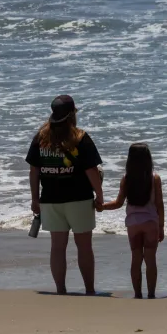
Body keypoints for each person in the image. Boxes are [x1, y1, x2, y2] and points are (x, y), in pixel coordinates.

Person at [26, 95, 104, 295]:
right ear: (72, 114)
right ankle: (89, 290)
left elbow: (34, 170)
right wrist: (100, 195)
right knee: (84, 247)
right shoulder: (80, 137)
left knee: (57, 247)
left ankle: (60, 289)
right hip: (79, 198)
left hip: (51, 200)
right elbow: (91, 170)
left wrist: (35, 198)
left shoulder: (41, 138)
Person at [100, 143, 164, 299]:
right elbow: (159, 205)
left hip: (133, 223)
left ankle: (137, 294)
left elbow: (118, 203)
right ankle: (151, 294)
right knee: (150, 259)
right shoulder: (154, 178)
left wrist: (101, 206)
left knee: (136, 259)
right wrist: (161, 227)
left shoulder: (126, 178)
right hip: (150, 223)